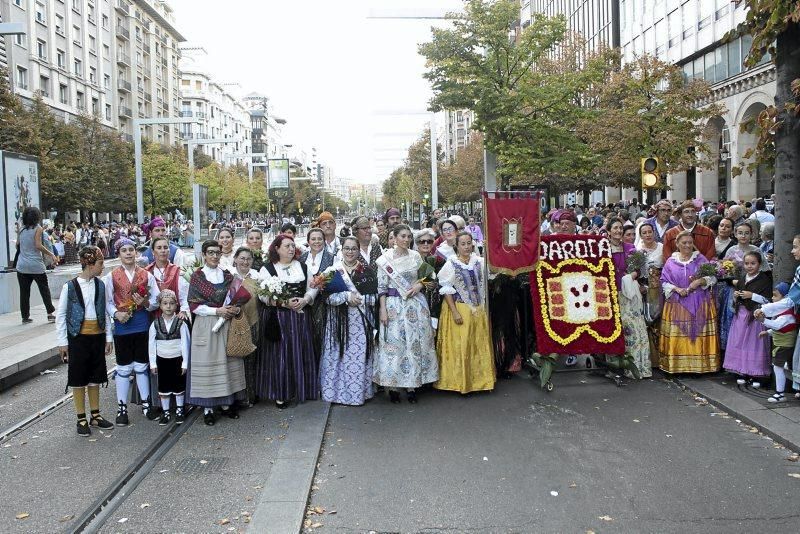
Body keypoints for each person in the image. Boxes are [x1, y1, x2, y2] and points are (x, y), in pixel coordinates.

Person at [374, 224, 438, 403]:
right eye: (402, 236)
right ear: (393, 237)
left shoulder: (416, 256)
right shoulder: (384, 259)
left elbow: (428, 276)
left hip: (415, 304)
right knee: (394, 345)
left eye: (409, 236)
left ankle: (412, 385)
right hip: (393, 305)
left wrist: (419, 285)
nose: (406, 239)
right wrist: (383, 310)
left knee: (415, 343)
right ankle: (393, 386)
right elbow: (382, 287)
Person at [56, 246, 115, 436]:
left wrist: (108, 337)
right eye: (100, 263)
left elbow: (105, 312)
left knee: (96, 376)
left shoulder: (100, 285)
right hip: (78, 338)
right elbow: (62, 315)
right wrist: (63, 342)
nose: (102, 267)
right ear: (89, 264)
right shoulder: (70, 286)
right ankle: (81, 417)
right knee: (78, 376)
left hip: (96, 336)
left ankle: (95, 415)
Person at [256, 234, 319, 408]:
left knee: (300, 350)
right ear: (276, 249)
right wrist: (283, 302)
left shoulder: (303, 267)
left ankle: (301, 388)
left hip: (300, 316)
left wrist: (305, 300)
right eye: (287, 246)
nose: (291, 249)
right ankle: (280, 393)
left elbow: (312, 287)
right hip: (279, 318)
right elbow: (262, 295)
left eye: (293, 246)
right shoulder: (267, 269)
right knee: (280, 355)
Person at [187, 239, 246, 425]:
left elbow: (234, 299)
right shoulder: (198, 277)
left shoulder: (228, 275)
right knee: (209, 364)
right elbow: (194, 306)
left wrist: (233, 309)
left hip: (226, 323)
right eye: (210, 252)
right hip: (206, 324)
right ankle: (208, 408)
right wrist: (216, 311)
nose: (214, 256)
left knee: (227, 364)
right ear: (204, 255)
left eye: (217, 253)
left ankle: (227, 404)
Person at [104, 238, 160, 425]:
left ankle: (146, 404)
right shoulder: (111, 276)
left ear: (136, 253)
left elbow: (156, 300)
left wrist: (145, 303)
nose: (128, 253)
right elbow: (107, 302)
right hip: (123, 325)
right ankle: (122, 408)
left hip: (141, 323)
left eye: (131, 250)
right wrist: (116, 314)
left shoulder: (146, 275)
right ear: (118, 254)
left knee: (141, 365)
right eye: (124, 250)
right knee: (124, 367)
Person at [319, 236, 378, 405]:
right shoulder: (332, 271)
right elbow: (326, 298)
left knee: (357, 358)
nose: (350, 252)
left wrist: (360, 300)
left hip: (360, 321)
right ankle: (335, 393)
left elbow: (374, 296)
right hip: (338, 321)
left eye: (353, 249)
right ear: (341, 250)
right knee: (337, 355)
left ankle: (358, 394)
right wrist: (346, 297)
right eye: (347, 248)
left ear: (358, 251)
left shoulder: (367, 271)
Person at [435, 232, 496, 393]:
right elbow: (446, 289)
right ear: (457, 246)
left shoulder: (479, 261)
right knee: (462, 345)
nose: (467, 246)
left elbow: (493, 273)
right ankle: (460, 383)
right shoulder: (451, 263)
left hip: (478, 309)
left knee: (478, 345)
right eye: (463, 244)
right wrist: (454, 312)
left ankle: (481, 382)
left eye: (469, 243)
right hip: (460, 307)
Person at [659, 231, 719, 374]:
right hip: (677, 302)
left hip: (700, 301)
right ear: (677, 244)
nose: (687, 245)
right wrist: (677, 289)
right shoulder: (671, 261)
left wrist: (700, 281)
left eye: (690, 243)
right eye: (684, 243)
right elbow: (664, 281)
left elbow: (712, 278)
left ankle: (699, 367)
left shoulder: (700, 259)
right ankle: (678, 367)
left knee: (697, 333)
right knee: (679, 334)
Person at [607, 218, 651, 378]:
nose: (618, 231)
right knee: (614, 330)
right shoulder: (603, 249)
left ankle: (637, 367)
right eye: (615, 228)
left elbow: (640, 269)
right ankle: (614, 366)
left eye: (620, 228)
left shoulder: (631, 248)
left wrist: (634, 274)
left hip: (630, 296)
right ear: (609, 231)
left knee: (634, 329)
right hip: (610, 294)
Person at [723, 252, 772, 387]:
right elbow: (736, 296)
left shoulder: (764, 280)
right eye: (747, 263)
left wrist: (752, 295)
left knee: (754, 344)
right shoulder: (742, 277)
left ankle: (756, 373)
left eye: (753, 263)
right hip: (741, 314)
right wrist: (736, 296)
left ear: (759, 264)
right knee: (739, 342)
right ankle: (741, 371)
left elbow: (768, 300)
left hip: (754, 316)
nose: (749, 266)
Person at [148, 289, 190, 426]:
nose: (168, 306)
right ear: (160, 305)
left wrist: (185, 363)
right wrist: (153, 363)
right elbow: (151, 344)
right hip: (162, 360)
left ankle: (179, 410)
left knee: (178, 386)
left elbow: (185, 343)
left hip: (177, 359)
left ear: (176, 305)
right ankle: (165, 411)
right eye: (165, 303)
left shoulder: (181, 323)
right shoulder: (155, 324)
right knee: (164, 387)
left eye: (171, 303)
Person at [228, 247, 261, 407]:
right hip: (233, 323)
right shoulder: (228, 277)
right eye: (242, 258)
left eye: (248, 259)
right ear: (235, 259)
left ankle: (250, 395)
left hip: (253, 322)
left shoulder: (257, 277)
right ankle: (235, 396)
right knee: (234, 360)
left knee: (251, 360)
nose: (245, 262)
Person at [16, 207, 58, 325]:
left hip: (22, 266)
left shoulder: (21, 229)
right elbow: (38, 245)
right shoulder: (38, 229)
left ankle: (25, 317)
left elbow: (18, 245)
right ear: (36, 217)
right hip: (36, 265)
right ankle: (50, 314)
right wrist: (51, 254)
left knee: (24, 292)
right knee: (44, 289)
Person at [299, 227, 336, 360]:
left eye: (319, 239)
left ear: (324, 240)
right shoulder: (301, 258)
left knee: (322, 337)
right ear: (308, 241)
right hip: (305, 304)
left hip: (324, 305)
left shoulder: (332, 258)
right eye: (313, 239)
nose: (316, 242)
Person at [758, 282, 798, 403]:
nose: (773, 298)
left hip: (784, 345)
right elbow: (781, 327)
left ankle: (780, 393)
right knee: (790, 367)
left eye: (775, 296)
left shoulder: (787, 314)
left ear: (785, 299)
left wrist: (763, 320)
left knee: (778, 367)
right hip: (784, 344)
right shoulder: (784, 313)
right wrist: (768, 332)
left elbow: (778, 325)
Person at [145, 236, 189, 320]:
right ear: (153, 252)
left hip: (175, 317)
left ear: (169, 251)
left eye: (165, 247)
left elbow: (185, 296)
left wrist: (183, 311)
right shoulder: (146, 272)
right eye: (159, 248)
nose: (163, 251)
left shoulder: (178, 271)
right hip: (152, 317)